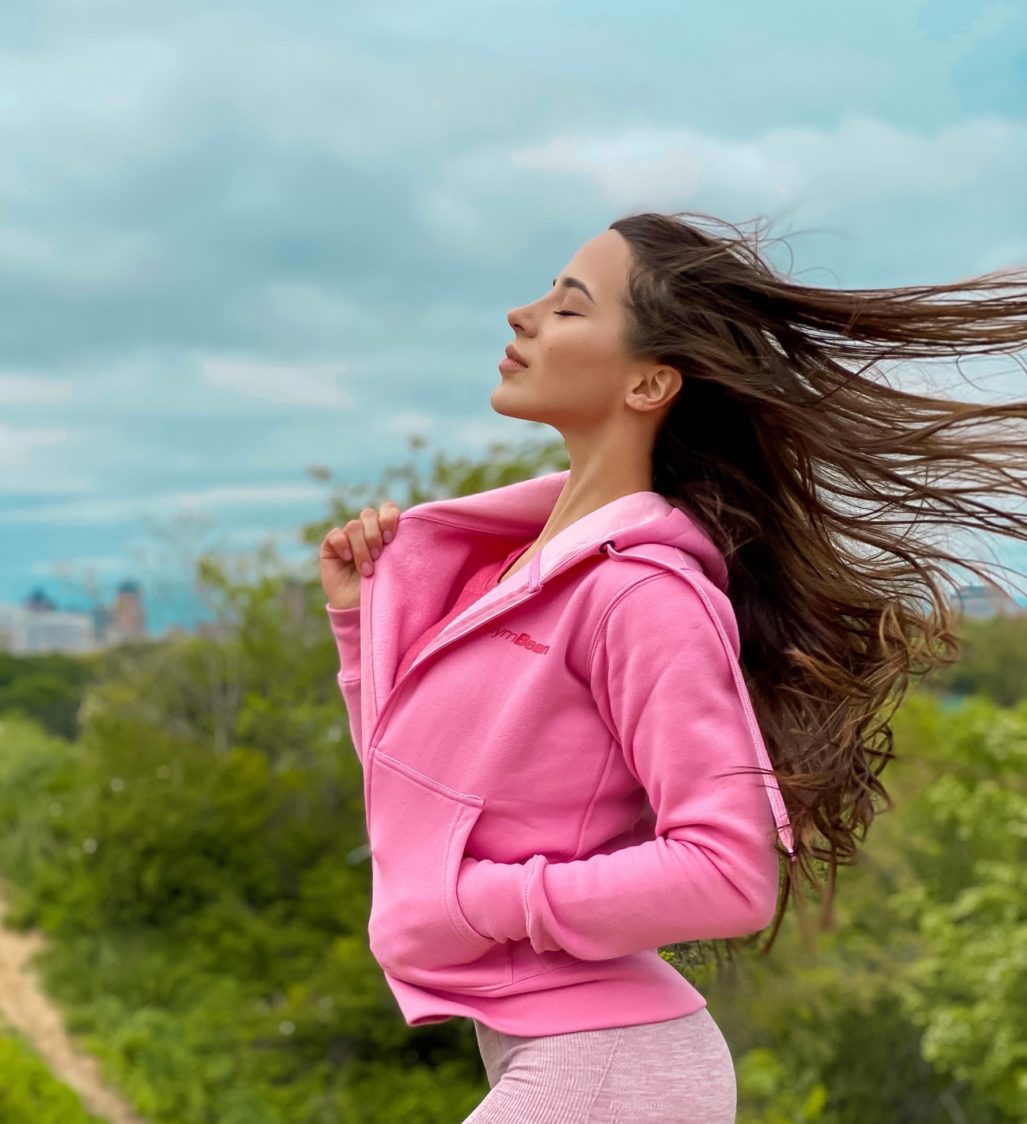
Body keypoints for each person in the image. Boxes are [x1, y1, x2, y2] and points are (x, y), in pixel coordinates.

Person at [319, 211, 1027, 1122]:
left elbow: (726, 873)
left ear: (649, 382)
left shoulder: (639, 596)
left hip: (614, 1065)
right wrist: (356, 625)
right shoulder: (515, 572)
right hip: (562, 1057)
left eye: (568, 307)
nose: (521, 315)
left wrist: (477, 900)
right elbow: (419, 797)